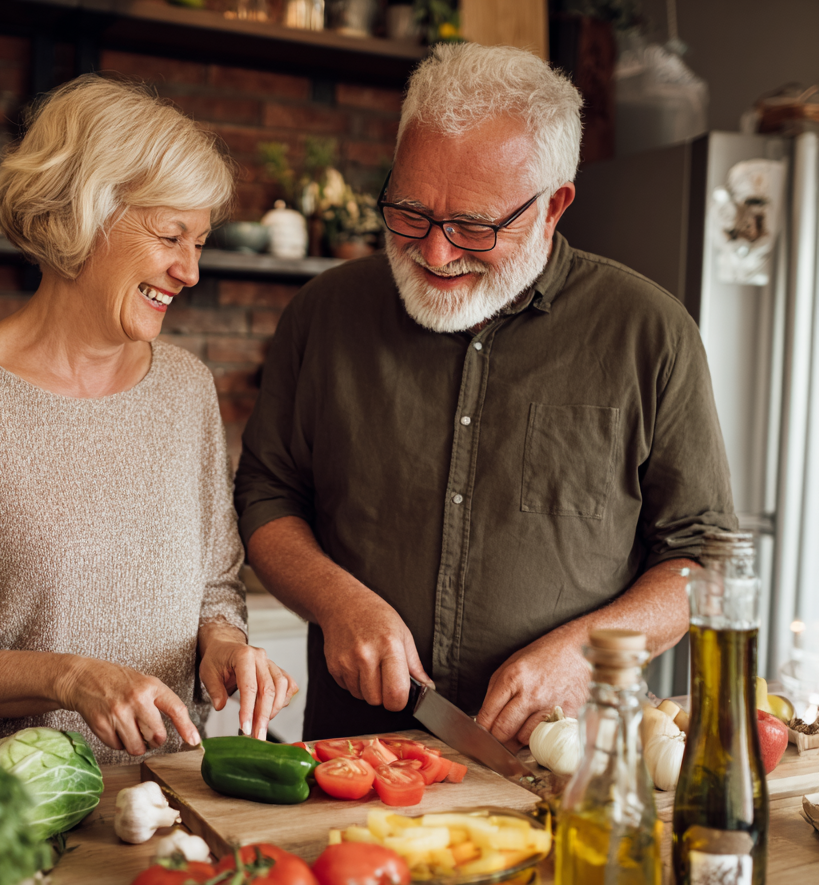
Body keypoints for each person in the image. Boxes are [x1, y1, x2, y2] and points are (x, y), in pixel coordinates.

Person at [234, 44, 736, 745]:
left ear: (554, 206)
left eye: (474, 227)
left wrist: (593, 650)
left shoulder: (648, 333)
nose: (435, 254)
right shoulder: (323, 315)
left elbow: (701, 554)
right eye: (409, 213)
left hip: (573, 764)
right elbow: (266, 495)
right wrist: (336, 600)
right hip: (360, 760)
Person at [0, 75, 296, 764]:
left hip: (171, 807)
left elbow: (215, 587)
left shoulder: (185, 388)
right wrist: (69, 678)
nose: (189, 270)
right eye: (171, 235)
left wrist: (227, 646)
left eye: (201, 241)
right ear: (85, 213)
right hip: (12, 822)